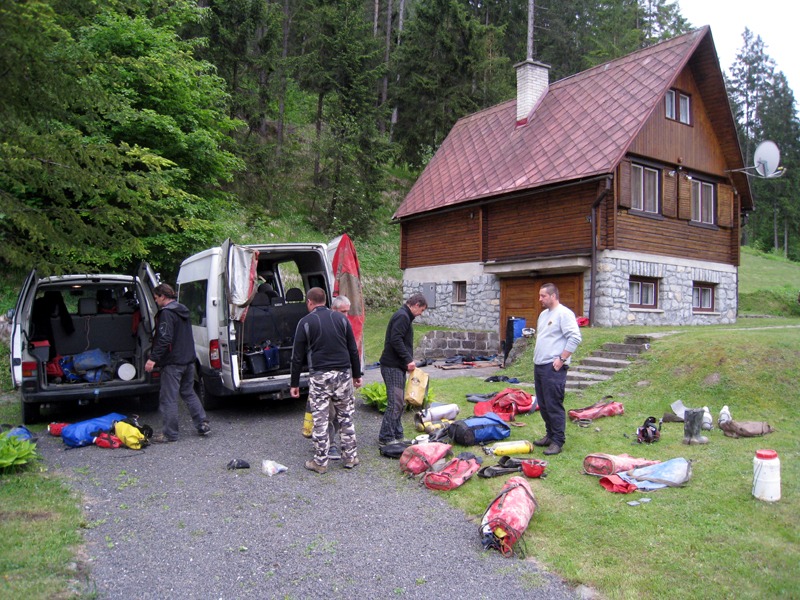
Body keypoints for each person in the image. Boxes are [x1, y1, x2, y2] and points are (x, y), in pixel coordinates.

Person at [290, 288, 362, 474]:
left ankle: (320, 462)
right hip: (343, 375)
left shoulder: (305, 322)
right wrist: (356, 374)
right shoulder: (341, 319)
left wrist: (295, 383)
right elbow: (353, 349)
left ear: (309, 302)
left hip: (320, 376)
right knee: (346, 416)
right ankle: (350, 457)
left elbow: (297, 356)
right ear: (325, 300)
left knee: (320, 419)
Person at [145, 283, 211, 442]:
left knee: (168, 398)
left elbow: (165, 338)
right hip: (188, 360)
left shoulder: (167, 313)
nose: (156, 301)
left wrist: (153, 359)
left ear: (163, 296)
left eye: (156, 298)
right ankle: (203, 423)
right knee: (188, 392)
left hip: (173, 362)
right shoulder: (182, 310)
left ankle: (169, 434)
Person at [532, 283, 582, 456]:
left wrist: (561, 359)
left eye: (543, 296)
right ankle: (549, 434)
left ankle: (558, 441)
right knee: (543, 404)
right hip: (539, 365)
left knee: (553, 404)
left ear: (553, 296)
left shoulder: (564, 314)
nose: (540, 299)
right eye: (540, 296)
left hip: (553, 368)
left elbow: (575, 337)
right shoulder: (543, 315)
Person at [378, 293, 428, 445]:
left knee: (399, 402)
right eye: (422, 310)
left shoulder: (404, 316)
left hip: (396, 366)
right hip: (391, 366)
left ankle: (398, 435)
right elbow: (396, 339)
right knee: (395, 402)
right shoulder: (402, 316)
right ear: (416, 305)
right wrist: (408, 360)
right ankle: (386, 437)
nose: (421, 314)